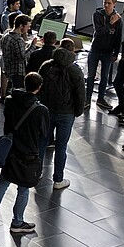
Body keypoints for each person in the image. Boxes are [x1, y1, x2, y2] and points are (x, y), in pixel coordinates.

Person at [0, 73, 49, 234]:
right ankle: (17, 221)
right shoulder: (40, 110)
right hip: (28, 153)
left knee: (3, 182)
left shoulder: (11, 101)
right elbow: (44, 133)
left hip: (10, 150)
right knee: (23, 188)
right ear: (39, 88)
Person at [38, 38, 86, 190]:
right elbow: (80, 94)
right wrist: (78, 111)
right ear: (72, 51)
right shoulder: (75, 70)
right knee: (61, 146)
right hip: (66, 112)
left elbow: (38, 86)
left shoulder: (46, 66)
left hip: (47, 110)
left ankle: (35, 172)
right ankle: (58, 179)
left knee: (42, 142)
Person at [86, 0, 123, 110]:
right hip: (95, 49)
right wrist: (110, 23)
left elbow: (118, 37)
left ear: (114, 4)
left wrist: (116, 53)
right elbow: (99, 32)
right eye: (105, 3)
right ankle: (87, 99)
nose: (106, 5)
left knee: (105, 76)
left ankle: (101, 99)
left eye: (109, 3)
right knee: (91, 75)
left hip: (108, 52)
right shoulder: (97, 15)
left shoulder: (119, 19)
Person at [0, 14, 37, 93]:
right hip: (17, 72)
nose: (29, 28)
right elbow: (23, 57)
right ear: (21, 26)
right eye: (27, 26)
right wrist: (33, 46)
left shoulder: (6, 36)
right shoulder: (18, 40)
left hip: (8, 69)